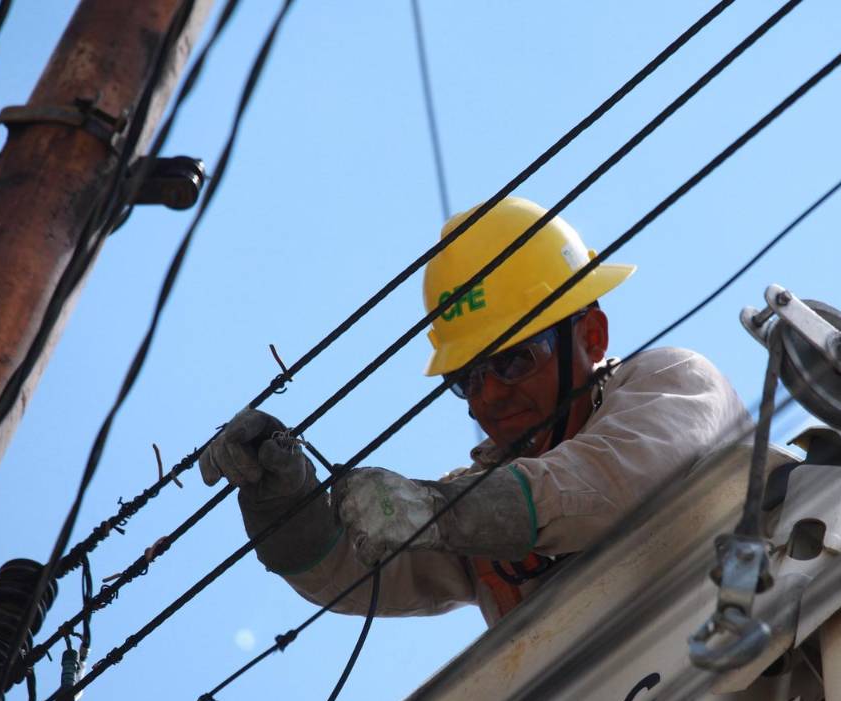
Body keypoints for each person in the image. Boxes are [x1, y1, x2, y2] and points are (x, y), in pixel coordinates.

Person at [200, 197, 750, 626]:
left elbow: (618, 479)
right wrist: (286, 503)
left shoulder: (674, 380)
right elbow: (354, 573)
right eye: (466, 380)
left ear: (591, 334)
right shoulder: (475, 498)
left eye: (513, 361)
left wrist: (440, 511)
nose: (487, 398)